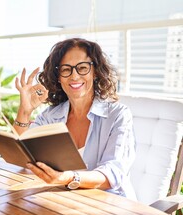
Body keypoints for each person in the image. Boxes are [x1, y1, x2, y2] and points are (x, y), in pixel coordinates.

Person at [14, 38, 136, 199]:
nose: (74, 76)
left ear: (95, 72)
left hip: (110, 205)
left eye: (82, 68)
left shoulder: (118, 115)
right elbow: (22, 155)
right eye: (66, 70)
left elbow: (112, 173)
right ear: (58, 76)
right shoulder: (51, 116)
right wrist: (25, 110)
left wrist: (69, 178)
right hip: (63, 202)